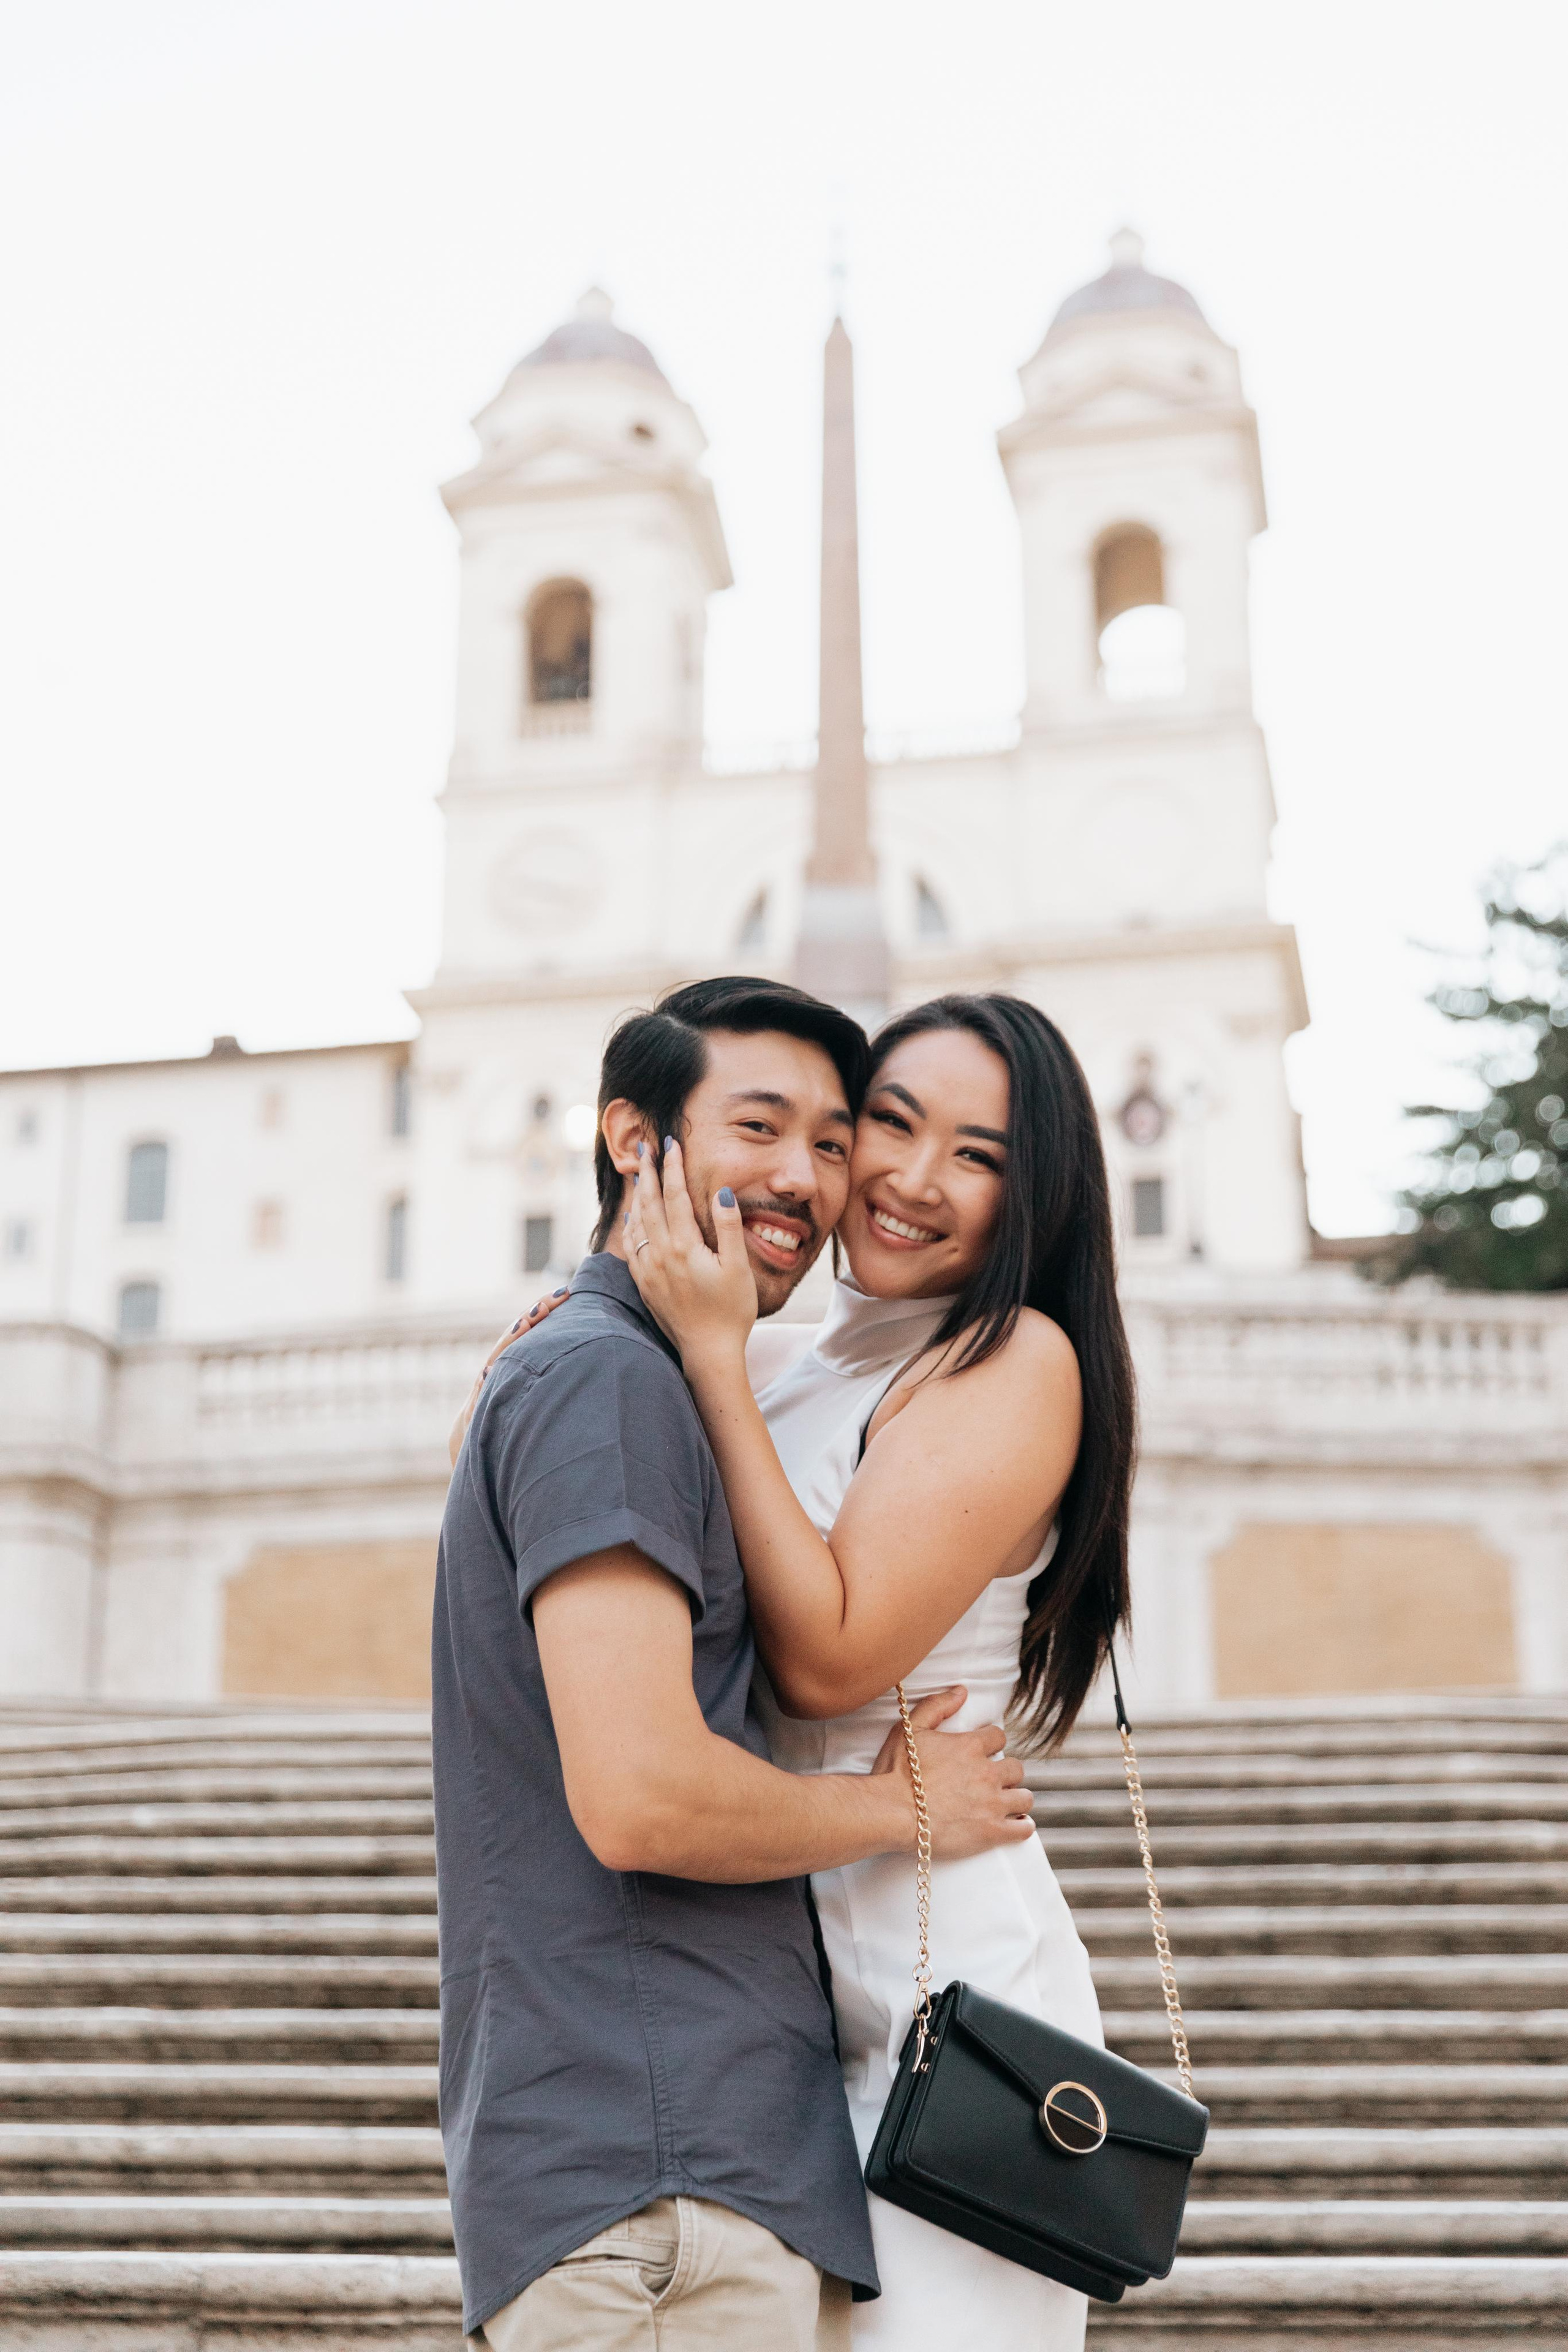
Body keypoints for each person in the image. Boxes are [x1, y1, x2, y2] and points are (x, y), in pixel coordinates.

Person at [480, 991, 1137, 2352]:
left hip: (935, 1965)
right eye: (885, 1126)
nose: (910, 1177)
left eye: (977, 1154)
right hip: (765, 1974)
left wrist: (712, 1362)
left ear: (1035, 1193)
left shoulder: (1013, 1358)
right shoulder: (788, 1350)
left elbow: (831, 1659)